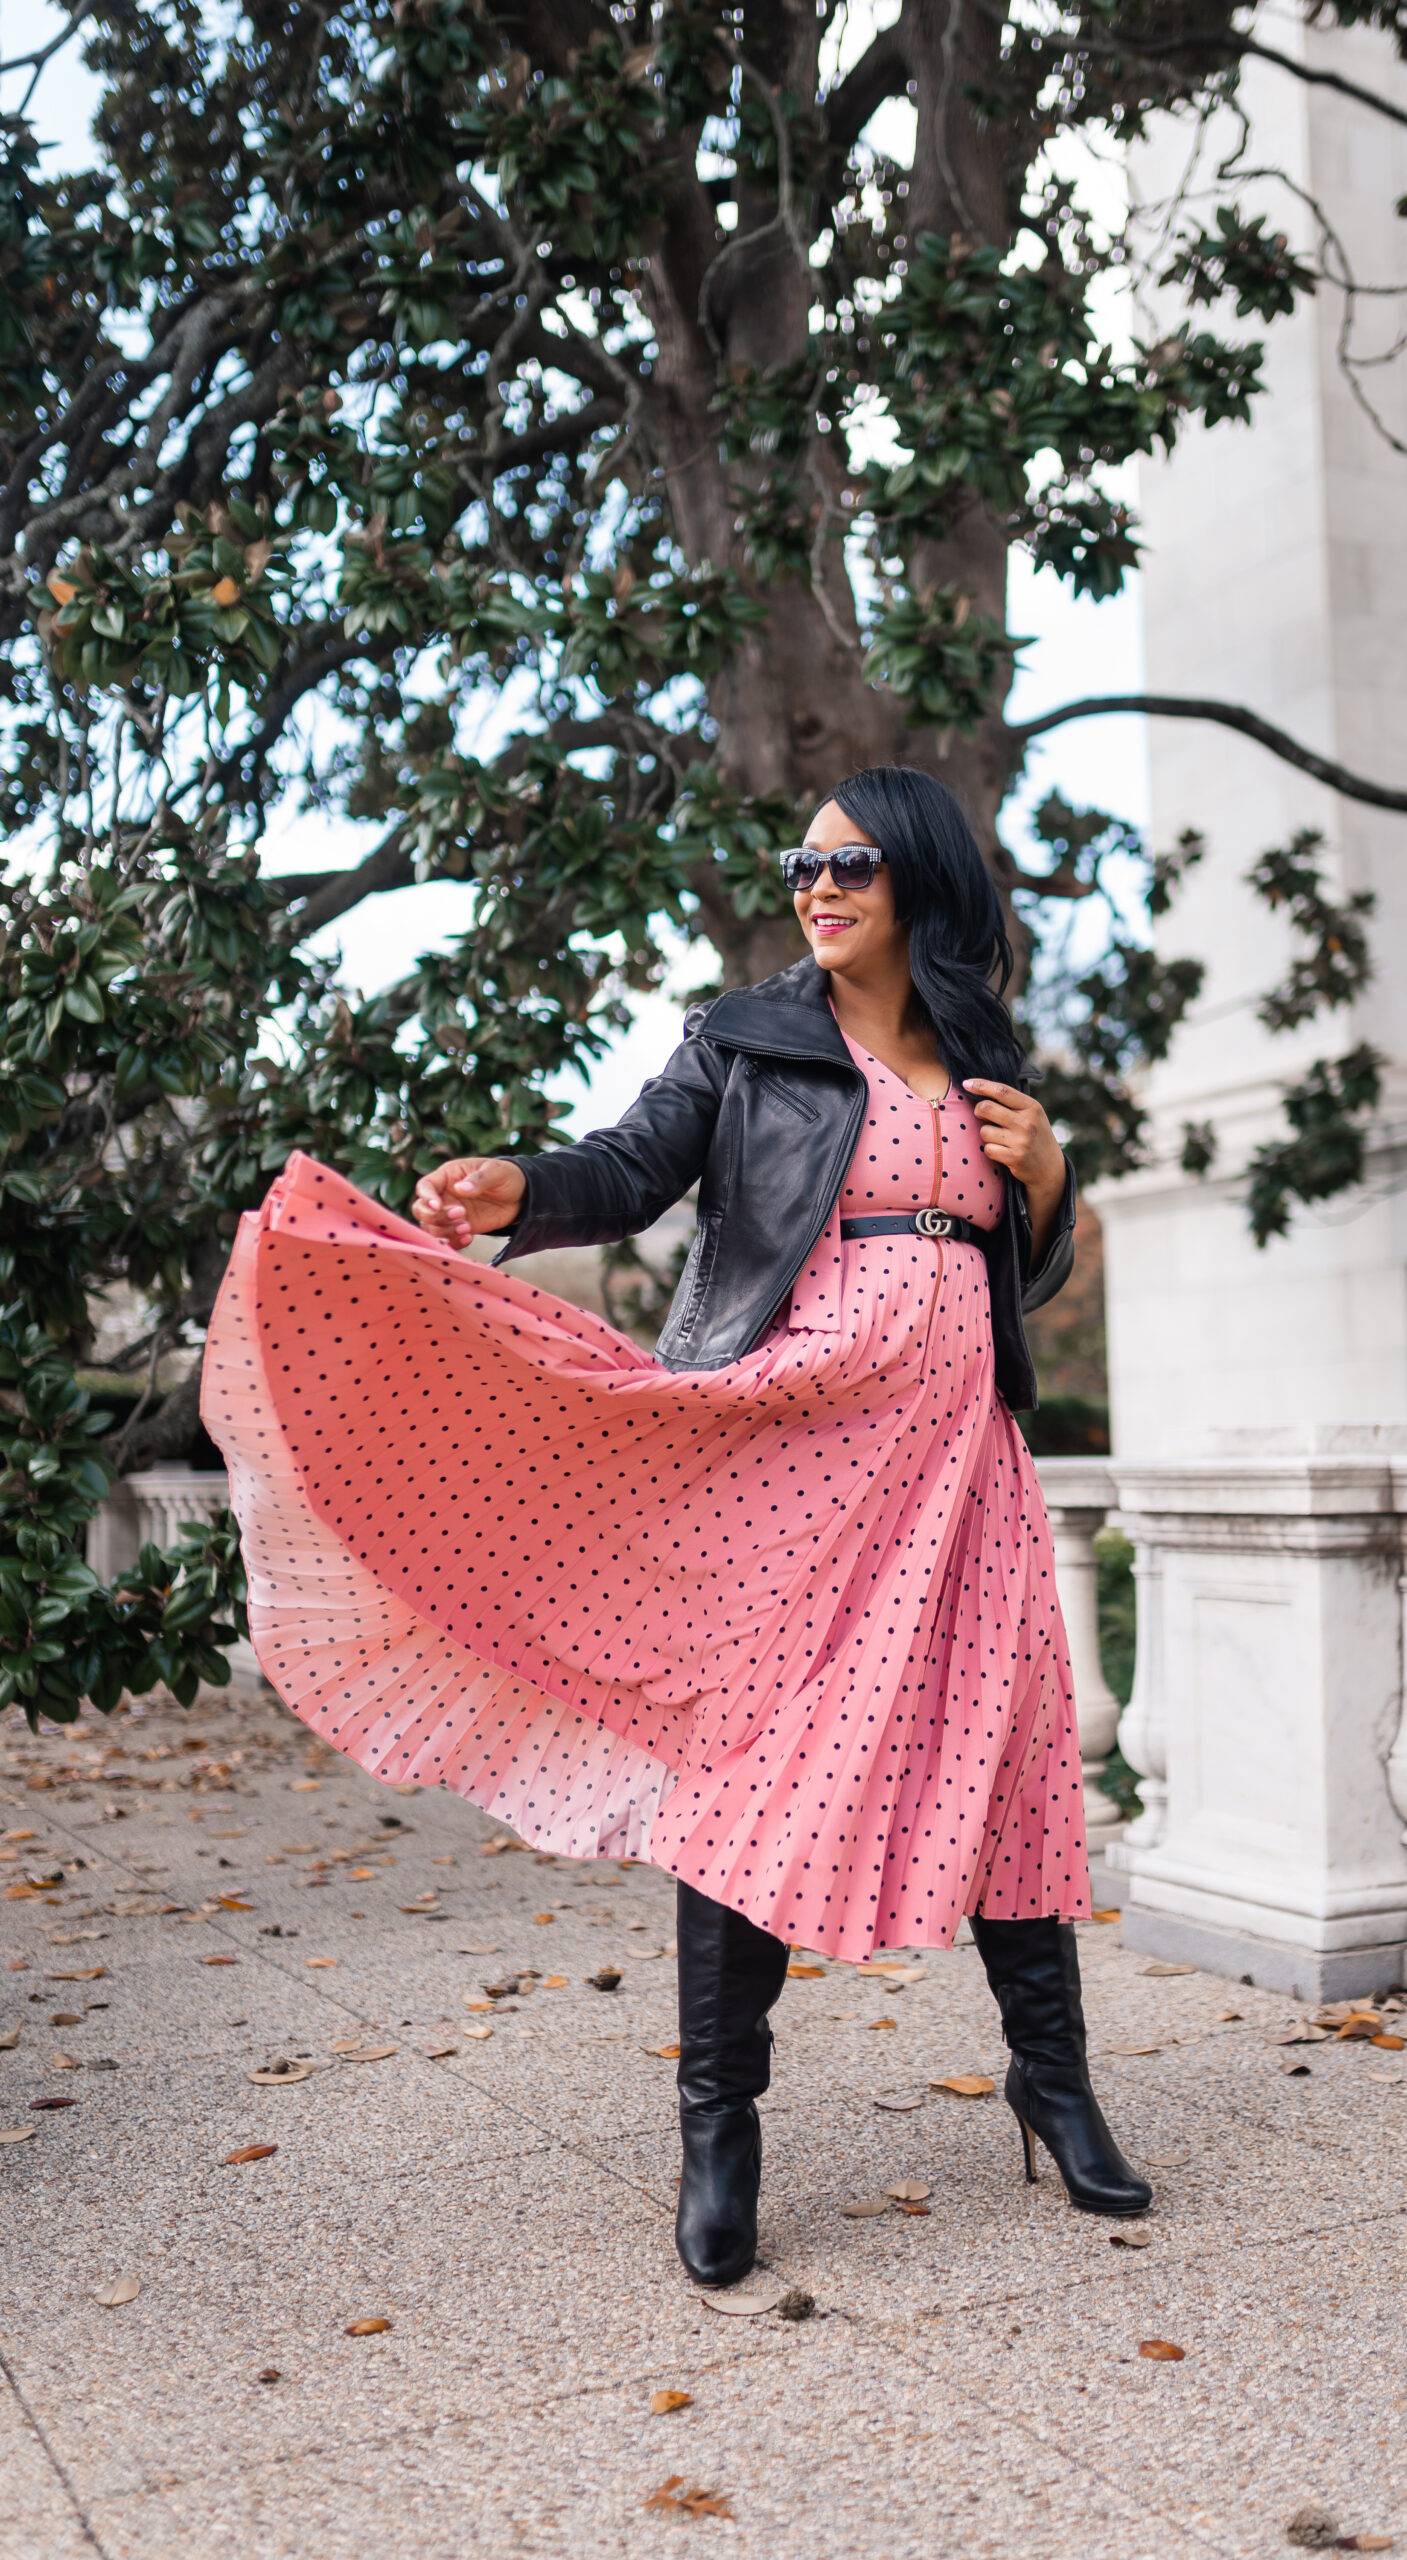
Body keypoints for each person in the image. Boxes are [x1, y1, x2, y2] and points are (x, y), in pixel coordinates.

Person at [202, 763, 1149, 2288]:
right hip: (800, 1448)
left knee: (1017, 1754)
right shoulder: (752, 1038)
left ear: (918, 880)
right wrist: (523, 1188)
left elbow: (1003, 1279)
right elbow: (634, 1169)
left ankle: (1056, 2087)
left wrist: (1046, 1181)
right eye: (802, 864)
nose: (817, 887)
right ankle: (723, 2134)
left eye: (849, 865)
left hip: (962, 1469)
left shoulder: (983, 1049)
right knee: (752, 1774)